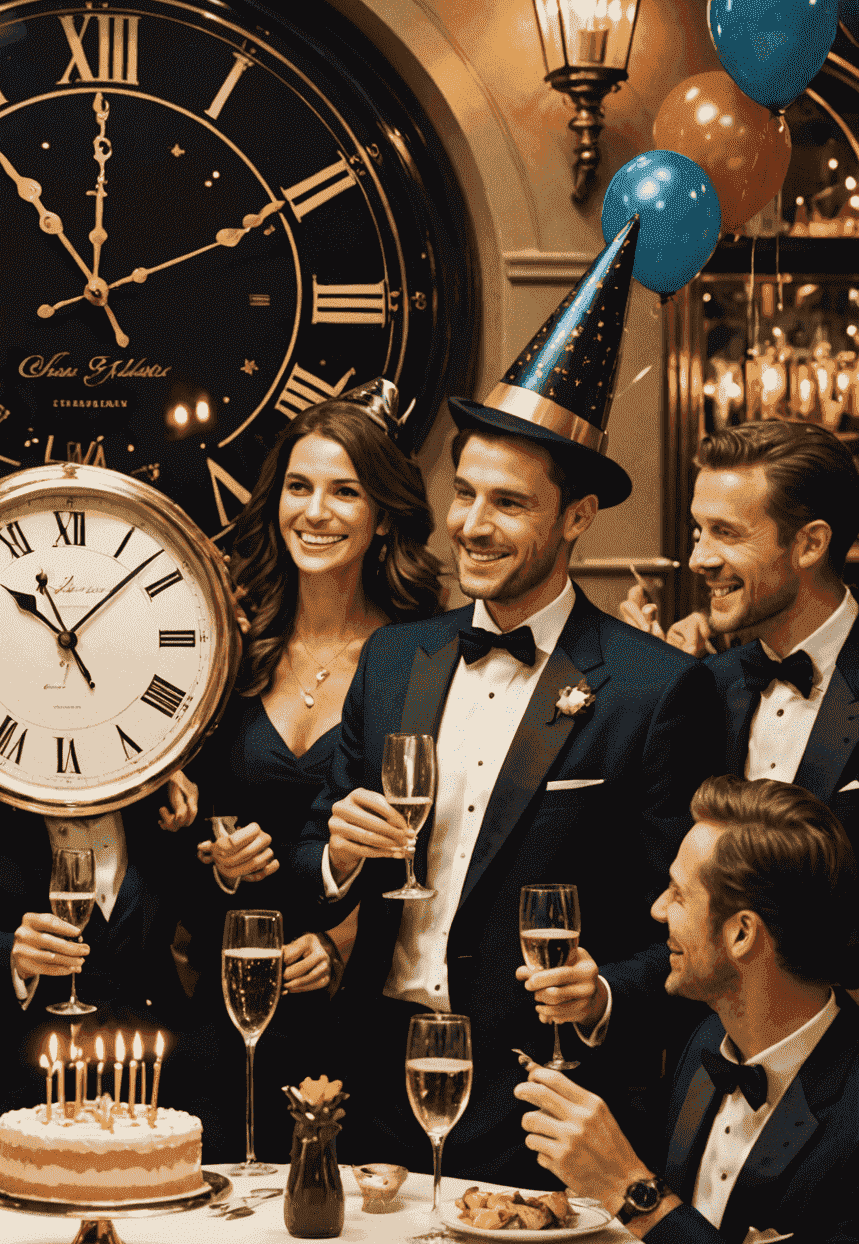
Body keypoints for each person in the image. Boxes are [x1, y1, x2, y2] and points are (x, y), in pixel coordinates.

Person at [294, 217, 722, 1185]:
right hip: (373, 1079)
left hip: (542, 1100)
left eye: (509, 504)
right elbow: (309, 850)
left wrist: (605, 993)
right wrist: (335, 855)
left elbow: (689, 933)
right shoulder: (394, 660)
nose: (472, 526)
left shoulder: (656, 692)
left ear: (577, 518)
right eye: (466, 494)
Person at [516, 774, 859, 1244]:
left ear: (741, 935)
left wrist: (633, 1191)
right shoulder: (709, 1041)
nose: (655, 910)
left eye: (677, 893)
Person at [181, 379, 444, 1161]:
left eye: (344, 491)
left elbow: (446, 835)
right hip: (232, 997)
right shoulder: (228, 644)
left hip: (358, 1010)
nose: (315, 511)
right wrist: (219, 863)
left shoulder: (422, 659)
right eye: (299, 487)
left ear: (384, 513)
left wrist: (348, 937)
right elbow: (181, 820)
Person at [0, 717, 198, 1160]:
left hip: (161, 1083)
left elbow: (198, 900)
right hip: (11, 1082)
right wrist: (7, 955)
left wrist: (223, 864)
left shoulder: (155, 742)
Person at [620, 421, 859, 847]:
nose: (698, 559)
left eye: (725, 533)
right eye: (699, 532)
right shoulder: (705, 687)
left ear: (810, 545)